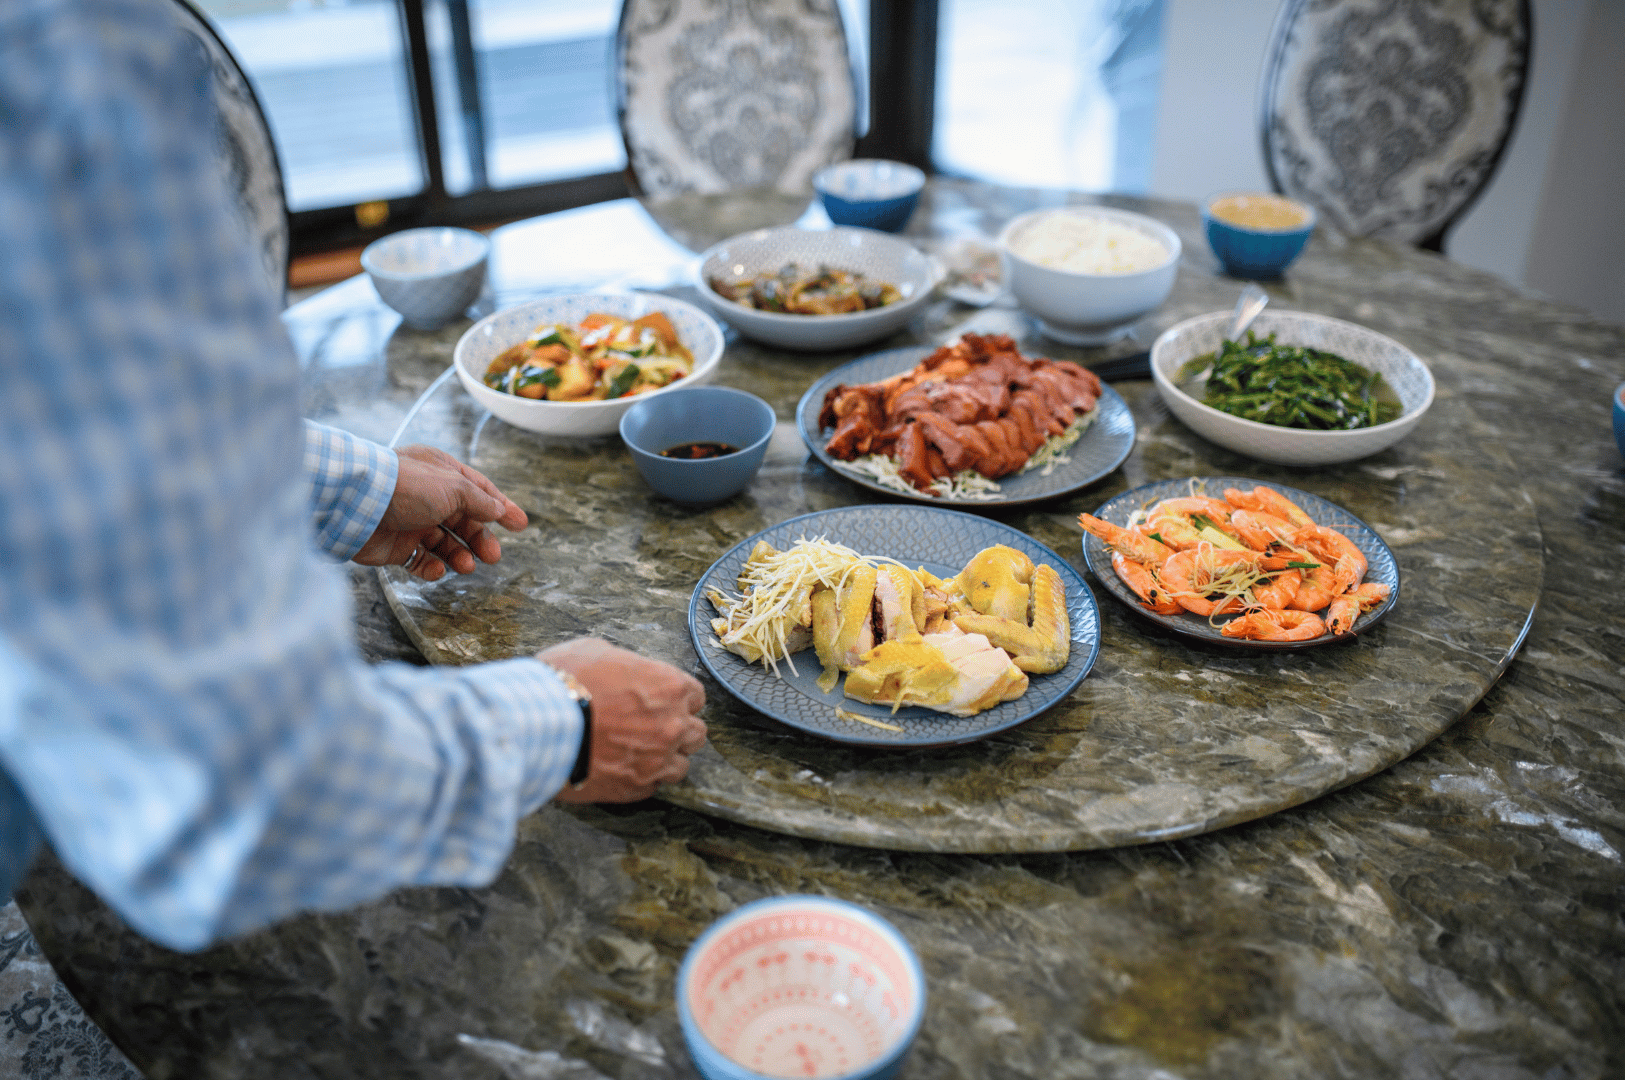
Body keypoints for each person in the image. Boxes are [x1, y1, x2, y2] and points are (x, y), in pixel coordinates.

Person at [0, 0, 705, 951]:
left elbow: (67, 418)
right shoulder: (52, 72)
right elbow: (221, 798)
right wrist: (566, 725)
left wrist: (354, 487)